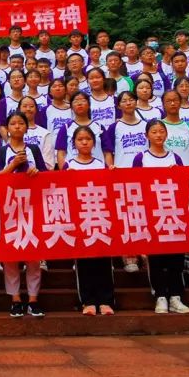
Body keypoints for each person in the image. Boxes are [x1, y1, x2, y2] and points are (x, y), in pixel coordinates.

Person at [131, 120, 189, 315]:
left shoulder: (175, 157)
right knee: (156, 257)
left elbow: (184, 185)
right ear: (147, 135)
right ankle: (160, 296)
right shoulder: (141, 158)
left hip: (173, 213)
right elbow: (135, 185)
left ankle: (175, 296)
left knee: (176, 256)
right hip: (152, 213)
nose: (158, 135)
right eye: (154, 132)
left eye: (161, 131)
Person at [0, 112, 47, 317]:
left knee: (33, 254)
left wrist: (36, 173)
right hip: (9, 207)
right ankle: (15, 299)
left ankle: (33, 299)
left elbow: (45, 175)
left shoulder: (33, 149)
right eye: (13, 123)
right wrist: (13, 165)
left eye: (21, 123)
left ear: (26, 127)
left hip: (32, 205)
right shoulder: (1, 152)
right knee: (11, 255)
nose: (17, 126)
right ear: (7, 128)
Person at [62, 125, 117, 315]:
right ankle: (88, 301)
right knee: (84, 262)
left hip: (100, 218)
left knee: (103, 261)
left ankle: (106, 300)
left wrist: (113, 174)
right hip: (80, 220)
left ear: (94, 142)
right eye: (80, 139)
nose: (84, 142)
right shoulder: (69, 165)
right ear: (74, 143)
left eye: (88, 139)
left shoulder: (101, 164)